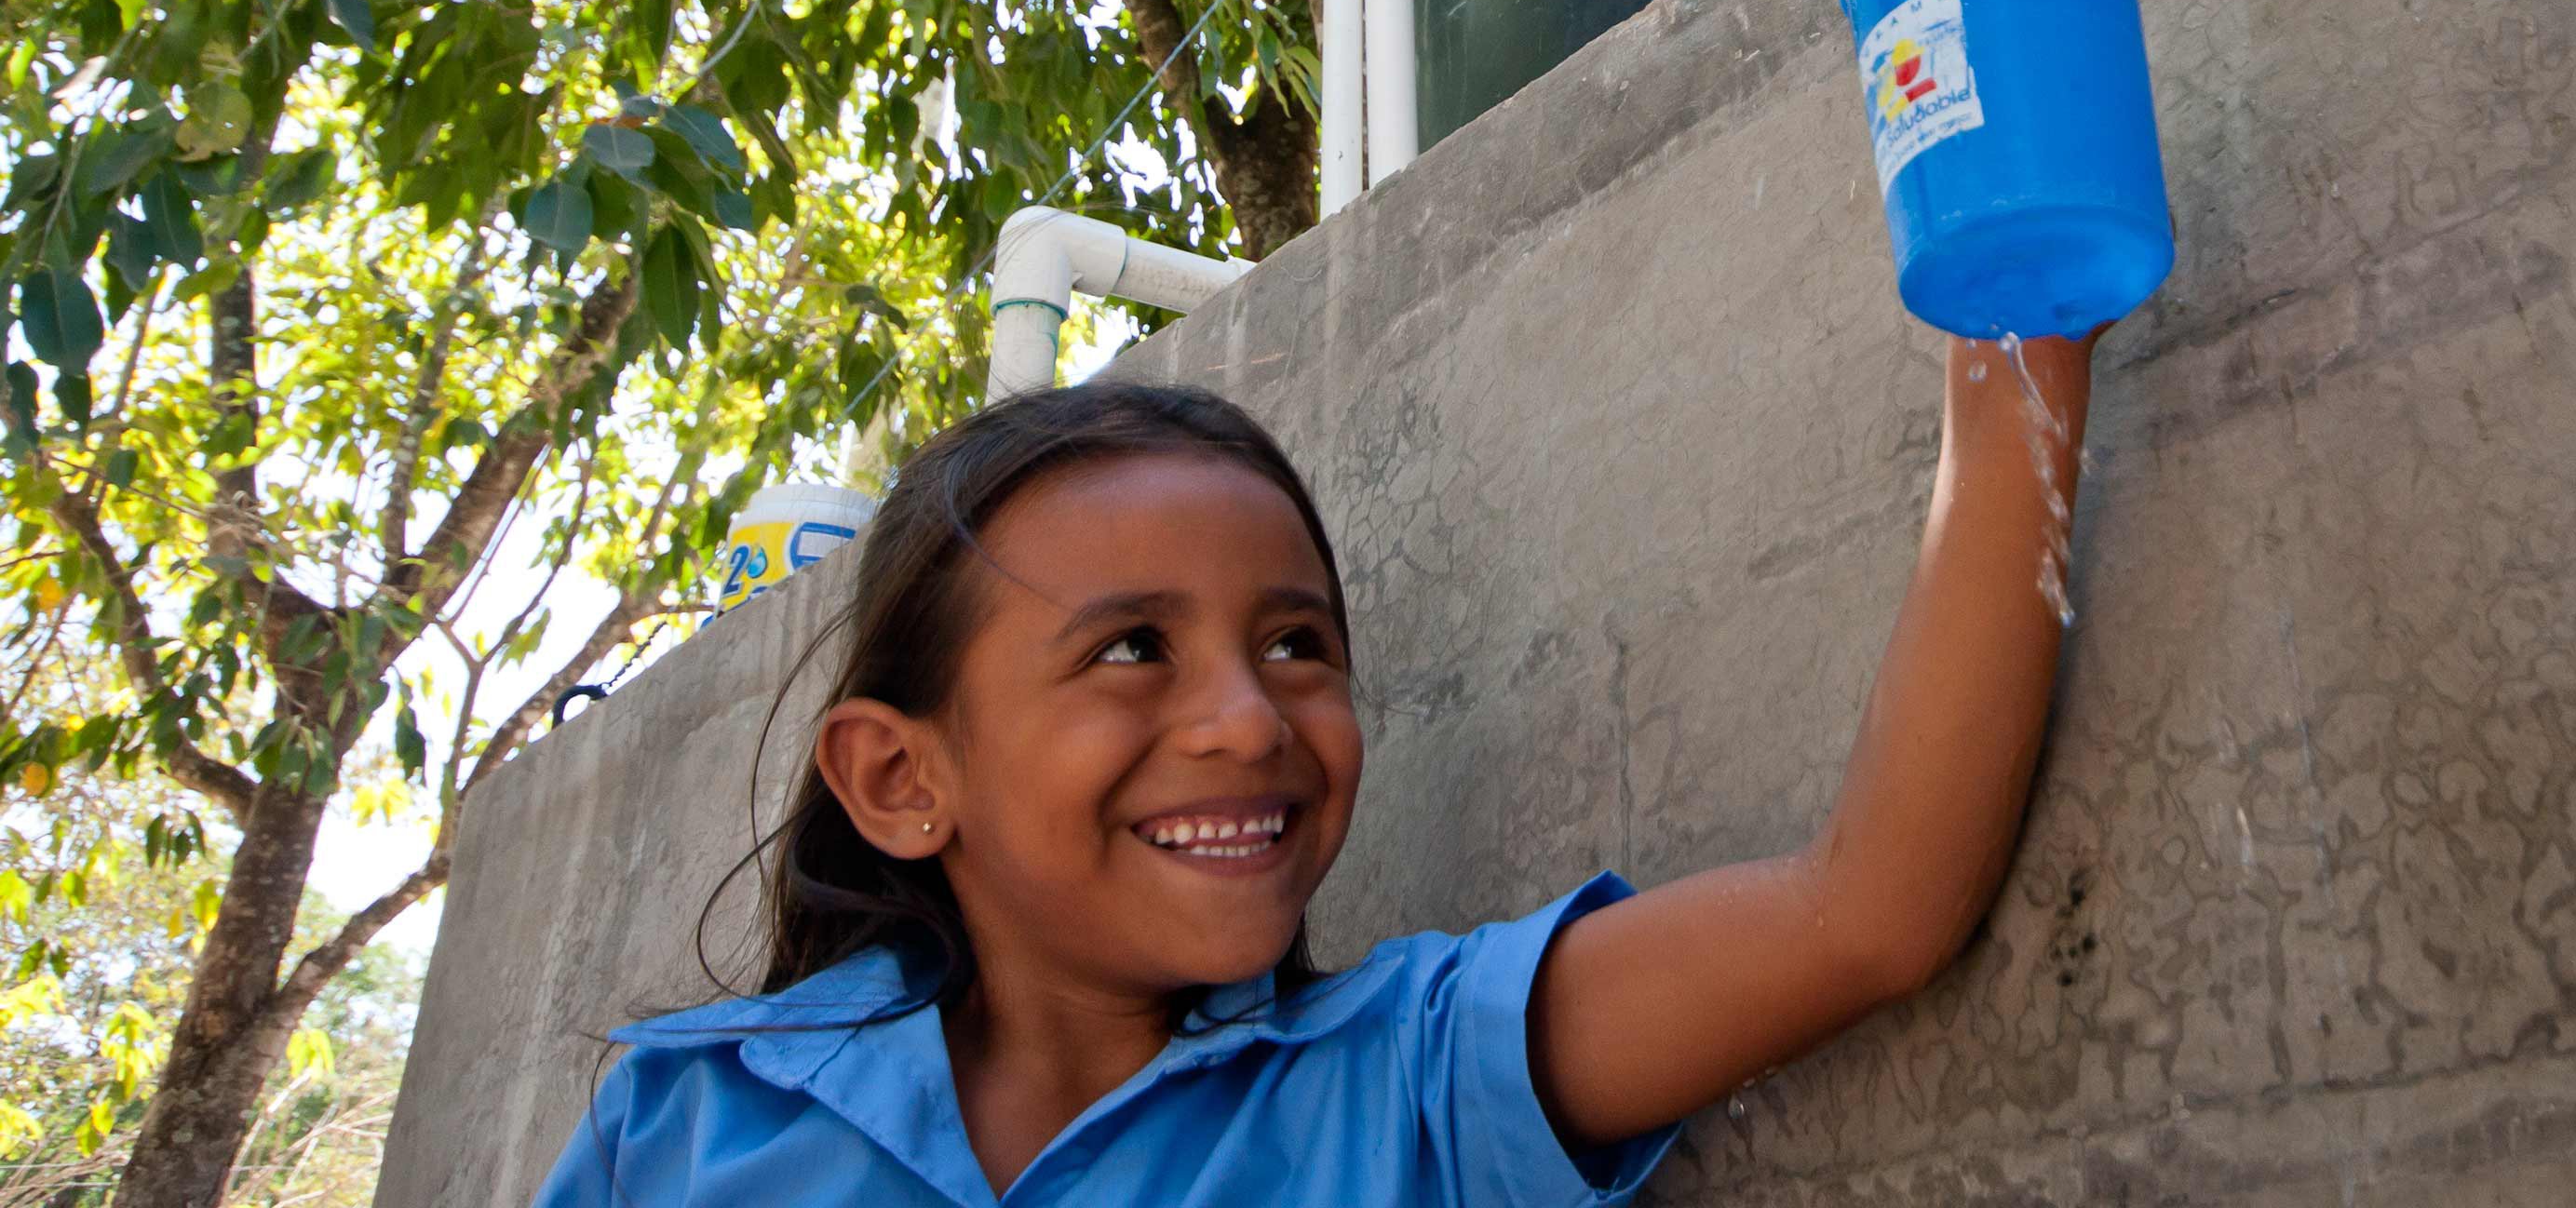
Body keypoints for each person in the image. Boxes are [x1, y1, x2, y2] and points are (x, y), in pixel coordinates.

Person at [533, 332, 2096, 1205]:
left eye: (1296, 643)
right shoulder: (690, 1126)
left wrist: (2016, 349)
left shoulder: (1414, 1081)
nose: (1250, 720)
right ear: (898, 780)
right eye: (1131, 649)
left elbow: (1872, 908)